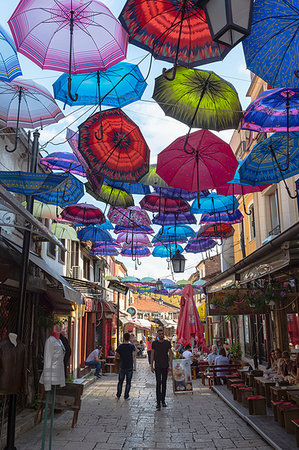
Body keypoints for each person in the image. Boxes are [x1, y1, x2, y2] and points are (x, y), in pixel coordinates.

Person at [151, 328, 173, 411]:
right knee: (158, 383)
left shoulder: (167, 343)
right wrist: (151, 366)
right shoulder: (154, 344)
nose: (161, 335)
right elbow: (152, 354)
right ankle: (158, 402)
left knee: (164, 383)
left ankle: (163, 400)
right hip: (157, 365)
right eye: (160, 334)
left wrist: (170, 364)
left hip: (165, 365)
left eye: (162, 334)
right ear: (157, 335)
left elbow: (170, 353)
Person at [115, 332, 136, 400]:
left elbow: (116, 355)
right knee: (128, 382)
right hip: (129, 365)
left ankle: (118, 395)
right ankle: (126, 396)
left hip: (122, 365)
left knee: (120, 381)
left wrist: (121, 357)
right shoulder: (131, 346)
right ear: (129, 338)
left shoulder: (120, 346)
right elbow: (134, 354)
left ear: (123, 338)